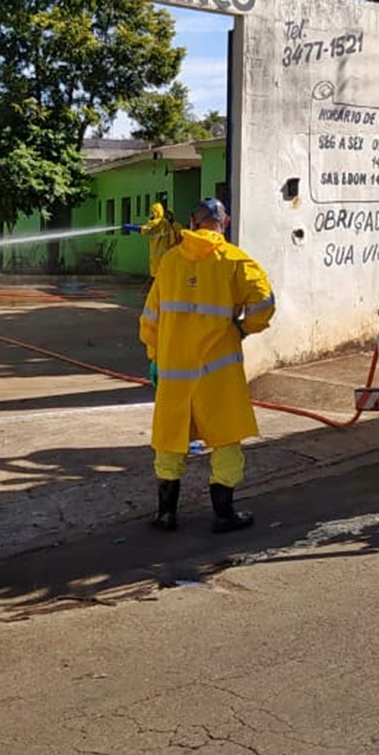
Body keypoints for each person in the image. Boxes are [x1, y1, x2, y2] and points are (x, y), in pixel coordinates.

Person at [139, 197, 275, 534]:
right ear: (224, 223)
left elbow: (150, 319)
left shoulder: (169, 262)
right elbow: (264, 303)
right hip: (218, 370)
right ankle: (224, 514)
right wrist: (243, 327)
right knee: (225, 437)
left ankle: (166, 514)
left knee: (170, 440)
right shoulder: (234, 260)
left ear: (192, 222)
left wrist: (154, 357)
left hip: (173, 370)